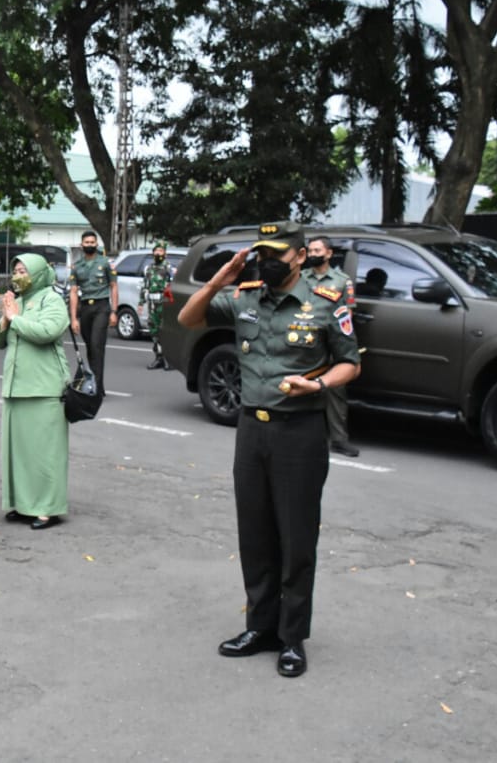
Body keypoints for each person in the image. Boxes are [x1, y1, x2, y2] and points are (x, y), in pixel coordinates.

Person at [178, 221, 360, 679]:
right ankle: (260, 627)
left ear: (300, 256)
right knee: (255, 535)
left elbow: (349, 364)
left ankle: (292, 637)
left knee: (296, 538)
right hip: (250, 430)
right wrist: (222, 276)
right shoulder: (244, 296)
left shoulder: (324, 304)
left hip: (299, 432)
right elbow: (188, 318)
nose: (267, 261)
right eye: (262, 253)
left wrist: (315, 383)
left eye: (277, 254)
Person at [0, 254, 70, 530]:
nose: (17, 275)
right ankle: (25, 504)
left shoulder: (52, 299)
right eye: (15, 270)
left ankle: (48, 508)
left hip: (44, 387)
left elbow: (48, 331)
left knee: (45, 453)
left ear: (37, 272)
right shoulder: (19, 301)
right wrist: (4, 321)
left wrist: (15, 319)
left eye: (23, 270)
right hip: (16, 387)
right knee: (21, 452)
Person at [302, 235, 359, 458]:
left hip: (330, 340)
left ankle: (338, 439)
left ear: (328, 253)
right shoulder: (300, 277)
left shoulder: (341, 280)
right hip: (303, 338)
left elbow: (347, 314)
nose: (313, 255)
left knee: (335, 389)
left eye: (317, 251)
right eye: (310, 251)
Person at [67, 230, 117, 396]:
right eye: (86, 242)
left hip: (102, 307)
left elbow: (114, 287)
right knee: (90, 347)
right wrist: (74, 318)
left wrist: (114, 311)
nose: (89, 245)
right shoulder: (77, 266)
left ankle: (97, 388)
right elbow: (73, 292)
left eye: (92, 242)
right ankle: (94, 382)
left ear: (97, 244)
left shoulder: (106, 263)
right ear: (82, 245)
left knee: (97, 345)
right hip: (85, 309)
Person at [143, 243, 174, 370]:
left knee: (165, 330)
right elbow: (145, 285)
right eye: (156, 251)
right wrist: (141, 302)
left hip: (164, 302)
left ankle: (169, 359)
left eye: (160, 251)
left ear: (165, 253)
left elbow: (172, 286)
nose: (158, 253)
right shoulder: (149, 268)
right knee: (154, 331)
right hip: (152, 304)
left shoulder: (168, 267)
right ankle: (158, 357)